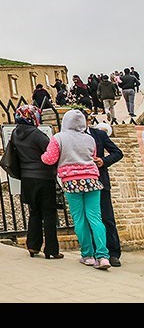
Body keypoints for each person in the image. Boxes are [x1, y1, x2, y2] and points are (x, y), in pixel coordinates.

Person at [41, 109, 111, 269]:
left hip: (71, 181)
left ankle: (87, 255)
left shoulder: (59, 138)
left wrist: (42, 155)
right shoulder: (90, 139)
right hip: (92, 179)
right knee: (95, 218)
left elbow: (49, 159)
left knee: (79, 219)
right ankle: (103, 256)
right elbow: (92, 155)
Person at [11, 104, 62, 259]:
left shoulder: (15, 134)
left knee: (34, 212)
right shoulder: (37, 134)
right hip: (43, 177)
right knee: (49, 213)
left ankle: (33, 246)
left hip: (27, 178)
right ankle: (51, 249)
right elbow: (51, 154)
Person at [83, 115, 124, 267]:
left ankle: (113, 253)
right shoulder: (70, 136)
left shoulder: (99, 135)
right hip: (82, 182)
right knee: (89, 219)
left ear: (88, 121)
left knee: (107, 218)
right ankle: (95, 252)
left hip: (100, 180)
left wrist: (103, 161)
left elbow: (117, 152)